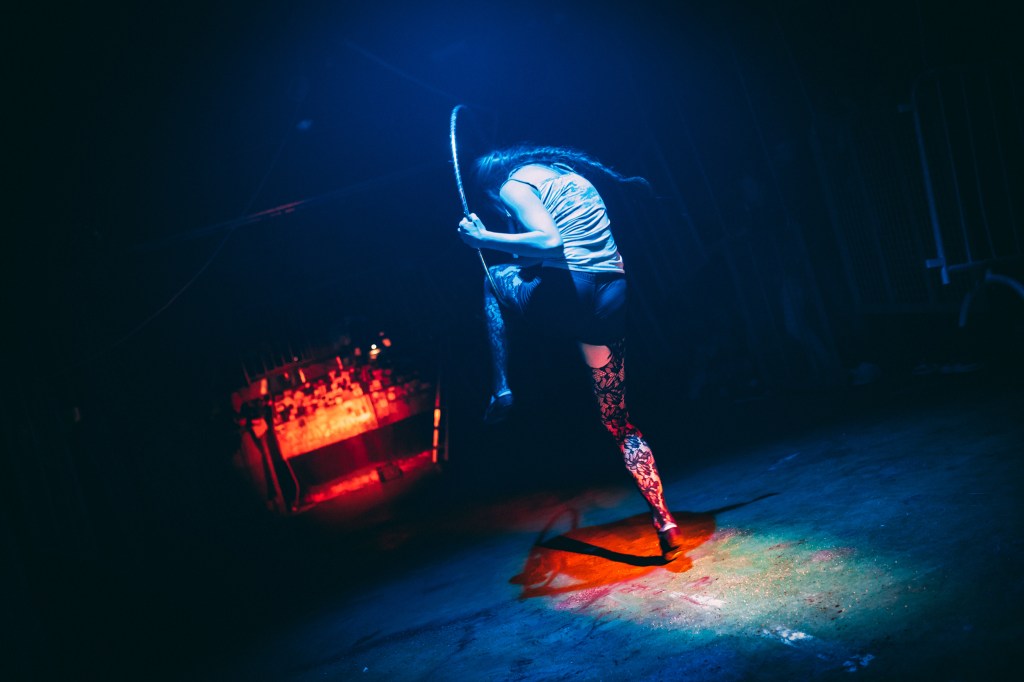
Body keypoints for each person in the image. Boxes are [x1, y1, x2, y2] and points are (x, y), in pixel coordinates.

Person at [456, 144, 684, 561]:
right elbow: (547, 246)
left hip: (573, 289)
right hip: (611, 293)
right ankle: (663, 517)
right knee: (618, 420)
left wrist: (482, 238)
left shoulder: (512, 186)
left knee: (492, 279)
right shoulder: (565, 175)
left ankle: (502, 388)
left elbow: (549, 241)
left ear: (490, 190)